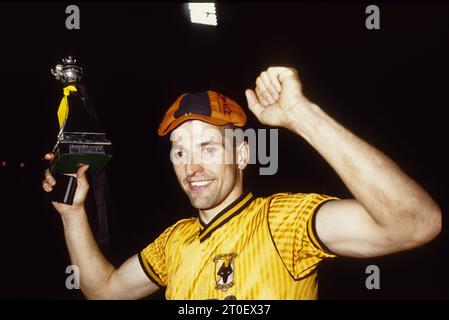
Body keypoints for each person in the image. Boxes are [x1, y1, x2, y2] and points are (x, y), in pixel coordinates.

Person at [42, 66, 441, 300]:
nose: (192, 166)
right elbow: (103, 290)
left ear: (243, 155)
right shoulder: (173, 242)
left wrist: (302, 116)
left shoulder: (283, 222)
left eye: (209, 148)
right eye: (180, 151)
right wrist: (72, 213)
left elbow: (415, 223)